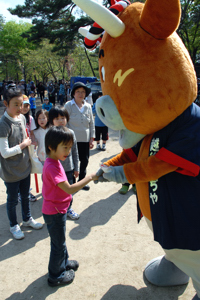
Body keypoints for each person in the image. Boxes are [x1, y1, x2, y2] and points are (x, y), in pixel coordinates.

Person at [42, 126, 98, 286]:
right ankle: (55, 276)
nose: (68, 151)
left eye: (70, 147)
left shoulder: (54, 160)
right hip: (54, 212)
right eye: (65, 147)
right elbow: (69, 188)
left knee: (60, 241)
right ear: (51, 147)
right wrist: (88, 178)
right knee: (58, 244)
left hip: (58, 210)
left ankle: (63, 263)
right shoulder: (52, 166)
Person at [0, 86, 43, 240]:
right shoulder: (3, 124)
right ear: (5, 103)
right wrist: (24, 145)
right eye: (15, 105)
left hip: (24, 167)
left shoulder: (22, 118)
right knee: (12, 200)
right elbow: (4, 153)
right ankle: (14, 225)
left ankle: (27, 219)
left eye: (21, 104)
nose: (19, 108)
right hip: (10, 171)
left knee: (25, 196)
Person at [49, 107, 80, 220]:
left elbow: (75, 152)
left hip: (68, 169)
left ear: (67, 119)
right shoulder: (50, 134)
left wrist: (76, 168)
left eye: (63, 118)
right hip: (54, 171)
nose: (60, 121)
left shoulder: (71, 133)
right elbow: (47, 155)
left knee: (69, 192)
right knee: (55, 192)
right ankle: (57, 209)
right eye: (57, 118)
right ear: (52, 120)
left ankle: (68, 209)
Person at [64, 82, 95, 191]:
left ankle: (82, 181)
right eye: (78, 91)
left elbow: (91, 123)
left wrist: (92, 138)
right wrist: (67, 137)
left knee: (84, 160)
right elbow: (65, 122)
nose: (80, 94)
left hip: (85, 139)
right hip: (72, 140)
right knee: (72, 161)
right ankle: (72, 181)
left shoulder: (88, 106)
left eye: (83, 92)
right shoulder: (68, 105)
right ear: (73, 94)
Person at [21, 95, 38, 202]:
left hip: (28, 148)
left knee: (27, 170)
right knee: (20, 171)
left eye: (27, 106)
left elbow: (32, 134)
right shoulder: (15, 118)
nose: (25, 108)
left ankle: (25, 190)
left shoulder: (30, 119)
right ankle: (20, 192)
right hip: (18, 148)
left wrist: (34, 143)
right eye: (23, 105)